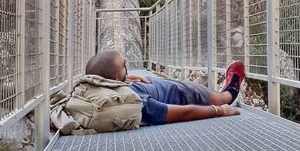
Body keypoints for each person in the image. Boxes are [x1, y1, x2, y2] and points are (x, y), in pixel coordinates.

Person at [85, 50, 245, 125]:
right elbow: (171, 113)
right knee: (219, 99)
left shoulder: (113, 88)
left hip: (170, 88)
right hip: (183, 95)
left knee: (209, 93)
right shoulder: (133, 100)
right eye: (124, 66)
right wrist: (219, 111)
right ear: (114, 78)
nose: (127, 68)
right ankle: (231, 91)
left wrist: (126, 79)